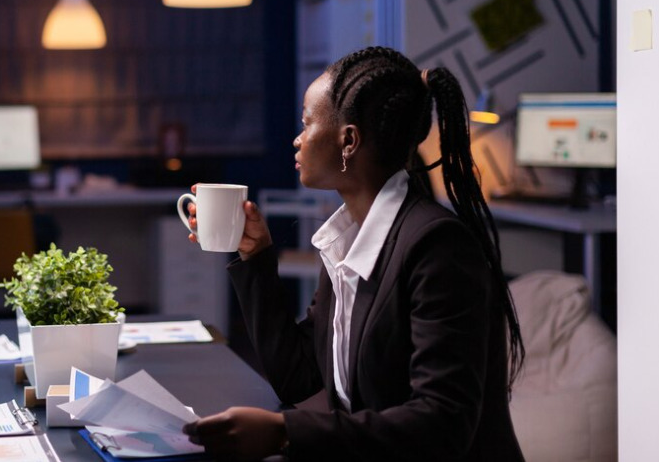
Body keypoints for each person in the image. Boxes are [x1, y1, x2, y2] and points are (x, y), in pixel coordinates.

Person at [182, 46, 525, 461]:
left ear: (348, 140)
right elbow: (297, 375)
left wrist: (285, 432)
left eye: (306, 123)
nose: (297, 138)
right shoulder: (351, 239)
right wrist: (255, 255)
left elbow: (443, 424)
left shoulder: (437, 247)